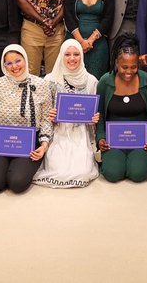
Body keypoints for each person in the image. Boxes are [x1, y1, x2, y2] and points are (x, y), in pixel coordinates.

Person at [0, 45, 55, 194]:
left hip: (29, 141)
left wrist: (44, 145)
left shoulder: (40, 84)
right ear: (4, 65)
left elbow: (46, 118)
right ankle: (4, 169)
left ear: (25, 60)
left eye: (18, 61)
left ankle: (16, 169)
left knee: (17, 183)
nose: (14, 66)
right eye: (9, 63)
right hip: (1, 141)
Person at [33, 40, 100, 188]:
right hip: (58, 133)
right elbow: (42, 114)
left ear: (82, 56)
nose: (72, 58)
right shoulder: (50, 80)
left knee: (82, 172)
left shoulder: (91, 81)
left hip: (80, 134)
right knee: (59, 171)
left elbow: (92, 111)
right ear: (61, 56)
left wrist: (93, 119)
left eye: (76, 54)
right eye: (67, 54)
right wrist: (50, 116)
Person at [95, 46, 147, 183]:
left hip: (141, 140)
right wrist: (101, 138)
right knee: (113, 174)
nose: (129, 71)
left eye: (133, 67)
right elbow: (99, 114)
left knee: (138, 174)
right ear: (117, 63)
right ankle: (118, 161)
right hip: (113, 141)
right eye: (124, 67)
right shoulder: (105, 82)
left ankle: (139, 160)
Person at [64, 0, 114, 78]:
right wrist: (81, 41)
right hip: (74, 42)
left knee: (95, 81)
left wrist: (91, 40)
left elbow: (108, 17)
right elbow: (68, 15)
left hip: (98, 44)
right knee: (72, 79)